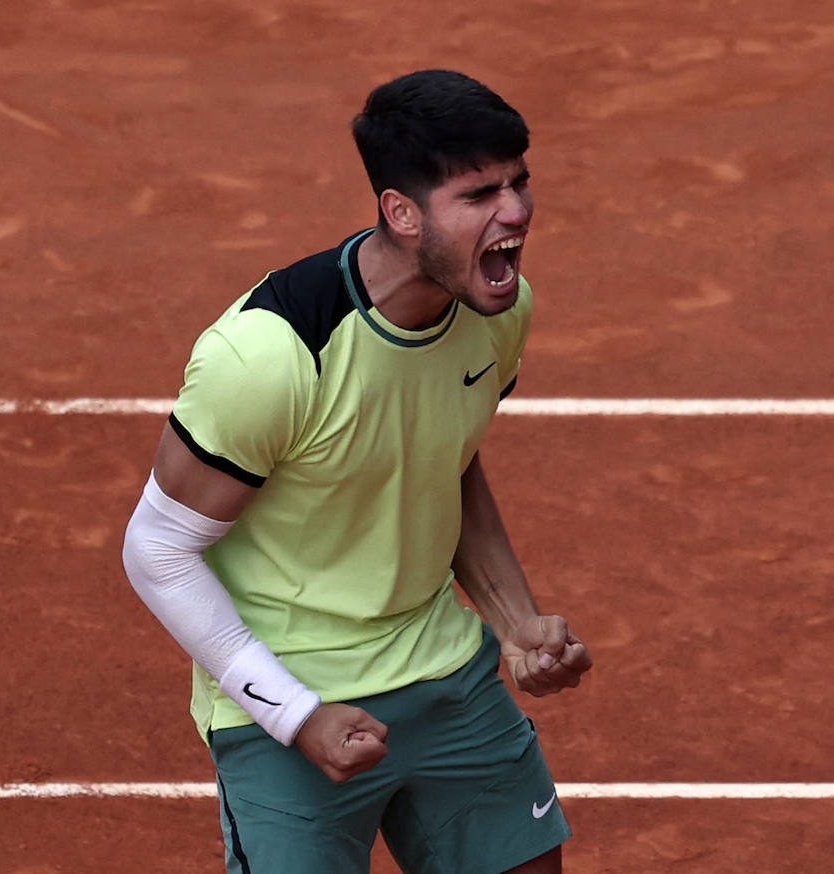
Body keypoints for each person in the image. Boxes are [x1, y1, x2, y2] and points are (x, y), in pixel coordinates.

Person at [121, 68, 592, 874]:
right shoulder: (271, 356)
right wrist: (294, 714)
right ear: (401, 213)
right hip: (291, 698)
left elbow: (442, 458)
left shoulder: (499, 312)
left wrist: (516, 621)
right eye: (478, 195)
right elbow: (156, 550)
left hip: (445, 672)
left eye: (519, 183)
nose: (514, 212)